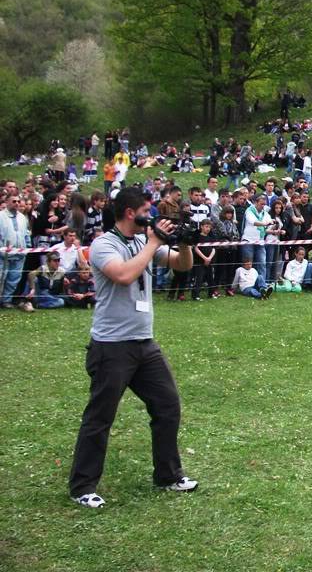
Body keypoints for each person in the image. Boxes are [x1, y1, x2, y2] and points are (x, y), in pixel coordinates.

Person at [68, 187, 198, 509]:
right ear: (130, 212)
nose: (152, 216)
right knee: (100, 417)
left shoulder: (143, 242)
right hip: (112, 347)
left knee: (168, 406)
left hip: (144, 344)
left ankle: (168, 475)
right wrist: (154, 241)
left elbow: (182, 265)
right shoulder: (103, 244)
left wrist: (184, 242)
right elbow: (124, 275)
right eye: (147, 210)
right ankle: (82, 487)